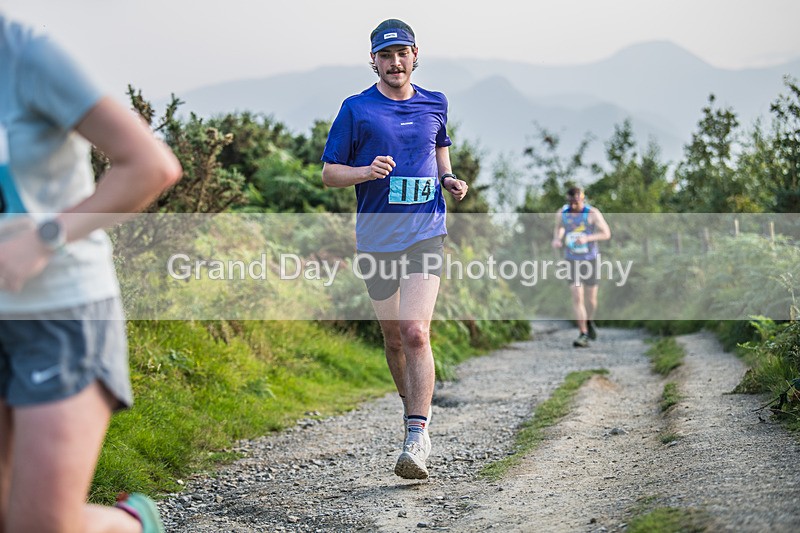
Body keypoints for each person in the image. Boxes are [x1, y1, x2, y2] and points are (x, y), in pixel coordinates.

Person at [0, 14, 181, 533]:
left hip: (60, 314)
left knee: (39, 526)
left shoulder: (26, 56)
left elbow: (150, 165)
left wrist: (43, 237)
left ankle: (132, 524)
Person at [321, 18, 468, 480]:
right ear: (374, 61)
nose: (395, 62)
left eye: (402, 53)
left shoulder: (435, 102)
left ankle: (416, 435)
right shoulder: (356, 109)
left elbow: (439, 154)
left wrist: (449, 180)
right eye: (386, 55)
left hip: (426, 230)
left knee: (415, 331)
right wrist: (365, 172)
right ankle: (413, 410)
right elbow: (329, 173)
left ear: (415, 54)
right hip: (377, 238)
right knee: (392, 340)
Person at [551, 186, 611, 348]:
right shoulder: (562, 213)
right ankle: (583, 333)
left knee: (591, 300)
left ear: (582, 198)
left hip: (590, 259)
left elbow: (606, 233)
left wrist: (588, 238)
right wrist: (557, 239)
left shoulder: (592, 213)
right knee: (577, 296)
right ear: (568, 200)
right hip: (572, 260)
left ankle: (589, 320)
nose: (574, 205)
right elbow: (560, 228)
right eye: (571, 202)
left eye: (577, 201)